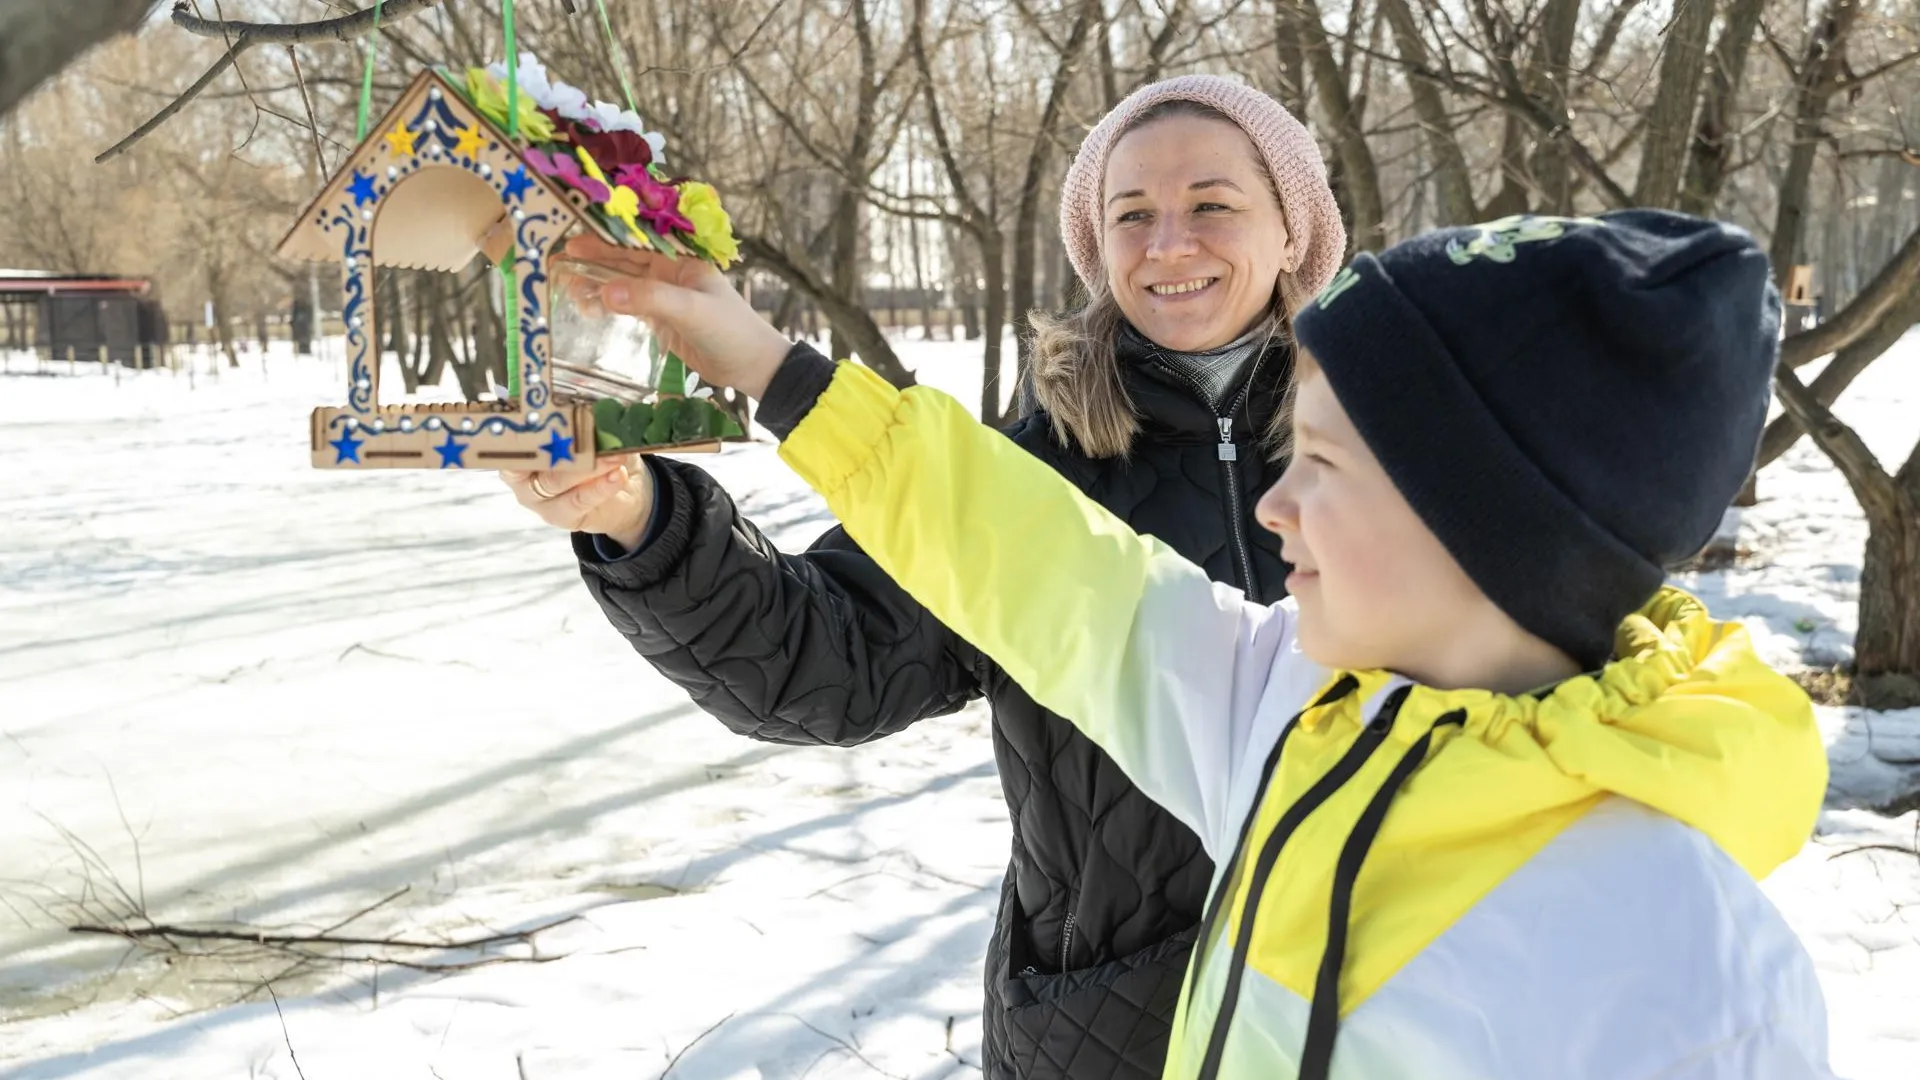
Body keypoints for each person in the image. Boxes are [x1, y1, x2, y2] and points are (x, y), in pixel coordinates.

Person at [548, 209, 1835, 1079]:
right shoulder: (1295, 706)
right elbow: (1045, 564)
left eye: (1322, 465)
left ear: (1484, 527)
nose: (1276, 508)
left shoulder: (1677, 947)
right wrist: (763, 364)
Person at [504, 76, 1346, 1080]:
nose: (1168, 243)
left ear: (1291, 229)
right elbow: (825, 660)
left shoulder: (1394, 455)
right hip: (1111, 1034)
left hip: (1376, 1009)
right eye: (1133, 214)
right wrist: (639, 522)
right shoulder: (1024, 475)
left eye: (1212, 204)